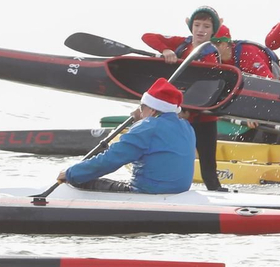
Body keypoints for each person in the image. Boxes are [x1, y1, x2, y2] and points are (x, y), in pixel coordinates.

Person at [142, 6, 229, 191]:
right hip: (180, 116)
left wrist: (187, 111)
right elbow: (147, 36)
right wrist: (166, 50)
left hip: (203, 117)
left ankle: (216, 193)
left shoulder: (211, 54)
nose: (200, 30)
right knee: (172, 156)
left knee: (208, 166)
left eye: (206, 26)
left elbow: (206, 90)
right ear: (191, 26)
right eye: (197, 25)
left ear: (214, 30)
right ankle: (164, 187)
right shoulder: (182, 43)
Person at [58, 78, 195, 193]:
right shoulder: (187, 127)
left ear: (152, 110)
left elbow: (111, 159)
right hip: (178, 190)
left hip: (147, 192)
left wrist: (71, 173)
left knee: (82, 181)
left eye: (142, 107)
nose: (140, 112)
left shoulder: (147, 127)